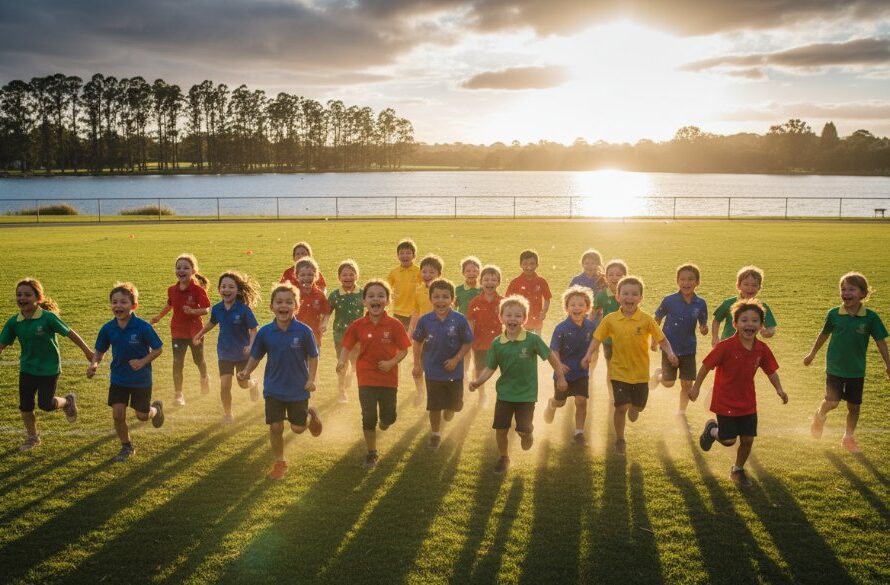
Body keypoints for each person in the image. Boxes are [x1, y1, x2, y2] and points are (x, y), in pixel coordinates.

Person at [691, 300, 788, 487]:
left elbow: (771, 371)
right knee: (728, 440)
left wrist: (779, 389)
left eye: (754, 321)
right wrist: (696, 387)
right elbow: (705, 366)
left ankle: (737, 470)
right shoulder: (725, 347)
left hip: (747, 401)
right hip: (725, 400)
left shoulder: (762, 349)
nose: (749, 324)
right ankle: (712, 430)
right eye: (744, 320)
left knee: (747, 439)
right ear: (735, 324)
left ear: (761, 325)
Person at [469, 296, 567, 474]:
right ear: (501, 318)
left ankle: (527, 434)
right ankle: (504, 457)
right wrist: (477, 382)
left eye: (518, 316)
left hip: (526, 395)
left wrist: (560, 377)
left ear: (524, 319)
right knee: (500, 429)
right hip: (504, 394)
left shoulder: (532, 340)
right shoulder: (497, 343)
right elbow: (490, 368)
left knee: (523, 429)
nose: (513, 319)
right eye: (509, 315)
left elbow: (551, 357)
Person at [582, 276, 678, 455]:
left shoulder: (647, 320)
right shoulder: (611, 319)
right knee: (620, 407)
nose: (629, 297)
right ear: (617, 296)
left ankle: (636, 408)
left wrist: (670, 352)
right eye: (625, 293)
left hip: (641, 374)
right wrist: (589, 354)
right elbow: (597, 338)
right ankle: (620, 439)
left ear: (641, 298)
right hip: (619, 372)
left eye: (634, 294)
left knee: (636, 408)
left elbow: (662, 340)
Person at [237, 283, 322, 480]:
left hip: (298, 389)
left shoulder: (303, 331)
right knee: (275, 427)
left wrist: (311, 379)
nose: (283, 306)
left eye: (288, 302)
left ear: (296, 306)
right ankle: (280, 462)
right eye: (279, 302)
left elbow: (313, 356)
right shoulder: (266, 332)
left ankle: (310, 416)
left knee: (298, 429)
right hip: (274, 388)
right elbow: (256, 355)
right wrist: (246, 371)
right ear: (271, 306)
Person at [0, 278, 93, 451]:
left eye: (27, 295)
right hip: (27, 368)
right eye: (19, 295)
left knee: (46, 404)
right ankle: (32, 437)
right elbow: (2, 344)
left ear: (38, 297)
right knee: (25, 405)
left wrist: (87, 352)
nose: (22, 298)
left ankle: (67, 401)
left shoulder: (48, 318)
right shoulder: (14, 322)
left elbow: (70, 333)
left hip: (49, 369)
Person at [805, 272, 890, 453]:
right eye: (843, 289)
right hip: (835, 368)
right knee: (833, 402)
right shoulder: (834, 314)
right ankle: (819, 416)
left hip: (856, 370)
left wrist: (888, 364)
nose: (846, 292)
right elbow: (823, 335)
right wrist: (812, 354)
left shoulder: (871, 318)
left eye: (851, 289)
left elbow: (881, 342)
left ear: (863, 294)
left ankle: (848, 437)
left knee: (854, 407)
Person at [337, 280, 411, 468]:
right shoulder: (358, 325)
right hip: (366, 376)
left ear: (387, 301)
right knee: (369, 416)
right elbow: (346, 345)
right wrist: (342, 360)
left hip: (389, 379)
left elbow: (404, 350)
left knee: (389, 417)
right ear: (364, 302)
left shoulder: (394, 325)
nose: (375, 299)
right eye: (371, 296)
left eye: (380, 296)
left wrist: (391, 362)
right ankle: (372, 452)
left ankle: (385, 423)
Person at [88, 283, 165, 462]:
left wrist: (142, 362)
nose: (118, 306)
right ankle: (126, 446)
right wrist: (94, 365)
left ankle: (156, 409)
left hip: (141, 379)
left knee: (142, 416)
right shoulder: (107, 328)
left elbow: (158, 349)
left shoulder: (143, 327)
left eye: (123, 302)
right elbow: (100, 351)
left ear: (134, 306)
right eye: (114, 302)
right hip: (118, 378)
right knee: (118, 414)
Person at [412, 279, 474, 449]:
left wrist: (456, 359)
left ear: (452, 299)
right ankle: (435, 433)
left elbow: (468, 342)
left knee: (455, 406)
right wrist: (417, 364)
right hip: (432, 372)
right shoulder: (425, 320)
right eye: (437, 297)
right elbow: (417, 342)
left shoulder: (459, 320)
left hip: (455, 373)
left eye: (445, 297)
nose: (441, 301)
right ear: (431, 299)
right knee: (434, 406)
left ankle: (450, 409)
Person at [193, 271, 261, 423]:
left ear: (237, 290)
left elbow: (253, 329)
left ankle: (253, 384)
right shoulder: (217, 309)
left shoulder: (244, 309)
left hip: (242, 354)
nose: (227, 290)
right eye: (223, 286)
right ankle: (228, 414)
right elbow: (212, 322)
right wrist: (200, 333)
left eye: (231, 287)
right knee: (225, 385)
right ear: (219, 290)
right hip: (224, 352)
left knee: (242, 384)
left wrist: (250, 345)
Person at [150, 253, 211, 406]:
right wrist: (159, 317)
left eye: (186, 268)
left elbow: (206, 309)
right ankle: (179, 394)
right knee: (178, 363)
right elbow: (170, 304)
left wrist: (193, 312)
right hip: (177, 332)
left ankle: (204, 377)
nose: (181, 270)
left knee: (199, 360)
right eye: (178, 268)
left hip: (195, 332)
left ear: (193, 271)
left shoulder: (198, 290)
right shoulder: (172, 289)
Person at [650, 263, 709, 417]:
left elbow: (703, 324)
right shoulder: (669, 300)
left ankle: (681, 411)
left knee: (687, 383)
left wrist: (704, 329)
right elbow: (656, 319)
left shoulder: (701, 303)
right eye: (682, 279)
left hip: (689, 348)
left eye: (690, 279)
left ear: (697, 282)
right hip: (669, 346)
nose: (686, 282)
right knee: (669, 383)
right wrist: (654, 340)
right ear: (677, 281)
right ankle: (659, 375)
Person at [543, 286, 597, 445]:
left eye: (581, 305)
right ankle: (552, 404)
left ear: (587, 308)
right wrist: (559, 367)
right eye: (572, 304)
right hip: (563, 373)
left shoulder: (591, 327)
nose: (577, 308)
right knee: (561, 402)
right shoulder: (561, 328)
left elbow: (595, 344)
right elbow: (554, 350)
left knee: (581, 401)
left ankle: (579, 433)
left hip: (581, 372)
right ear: (566, 308)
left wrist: (590, 357)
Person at [408, 254, 444, 405]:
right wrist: (411, 329)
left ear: (439, 274)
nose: (427, 275)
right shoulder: (418, 291)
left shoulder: (444, 290)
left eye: (432, 272)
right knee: (418, 365)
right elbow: (416, 311)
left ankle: (436, 392)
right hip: (422, 333)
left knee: (436, 365)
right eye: (424, 272)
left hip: (440, 334)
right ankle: (420, 391)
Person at [712, 265, 777, 346]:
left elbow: (771, 327)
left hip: (749, 347)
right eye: (746, 284)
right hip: (727, 346)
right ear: (738, 285)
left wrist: (768, 332)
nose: (750, 288)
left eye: (754, 285)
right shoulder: (728, 303)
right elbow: (717, 320)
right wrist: (715, 337)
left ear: (759, 287)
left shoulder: (762, 307)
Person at [328, 259, 364, 403]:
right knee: (342, 363)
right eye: (344, 275)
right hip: (340, 334)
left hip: (358, 336)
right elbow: (327, 312)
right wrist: (323, 323)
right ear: (339, 277)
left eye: (351, 274)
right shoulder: (335, 295)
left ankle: (351, 374)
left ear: (356, 276)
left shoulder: (362, 293)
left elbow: (373, 307)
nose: (348, 277)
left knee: (356, 362)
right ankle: (341, 391)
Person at [466, 265, 503, 406]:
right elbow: (470, 323)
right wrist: (470, 341)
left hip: (499, 345)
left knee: (503, 371)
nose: (490, 283)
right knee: (479, 369)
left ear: (498, 282)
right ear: (481, 282)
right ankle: (482, 394)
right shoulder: (475, 302)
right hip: (479, 344)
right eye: (486, 279)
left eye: (494, 280)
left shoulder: (503, 302)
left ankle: (503, 396)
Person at [593, 259, 628, 395]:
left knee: (625, 366)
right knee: (611, 368)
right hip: (608, 339)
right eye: (611, 275)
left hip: (626, 338)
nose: (615, 278)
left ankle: (625, 390)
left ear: (625, 277)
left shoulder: (628, 294)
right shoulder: (602, 295)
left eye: (619, 275)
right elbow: (593, 314)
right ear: (606, 277)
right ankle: (612, 396)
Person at [505, 249, 551, 335]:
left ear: (537, 265)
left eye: (532, 264)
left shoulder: (541, 281)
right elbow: (507, 301)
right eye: (525, 264)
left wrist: (543, 312)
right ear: (520, 265)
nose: (529, 267)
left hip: (536, 322)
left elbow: (547, 299)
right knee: (520, 345)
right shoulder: (515, 282)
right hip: (519, 322)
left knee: (535, 345)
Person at [294, 257, 332, 351]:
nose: (306, 278)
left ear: (316, 276)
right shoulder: (293, 294)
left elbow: (327, 312)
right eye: (302, 275)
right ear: (296, 276)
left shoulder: (320, 295)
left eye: (310, 275)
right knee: (296, 362)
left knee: (313, 361)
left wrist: (324, 323)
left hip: (314, 335)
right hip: (295, 335)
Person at [386, 238, 421, 330]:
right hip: (398, 311)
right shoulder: (394, 272)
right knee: (399, 335)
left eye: (408, 253)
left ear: (414, 255)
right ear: (397, 255)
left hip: (415, 311)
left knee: (413, 336)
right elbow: (385, 288)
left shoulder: (419, 271)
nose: (405, 256)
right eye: (401, 253)